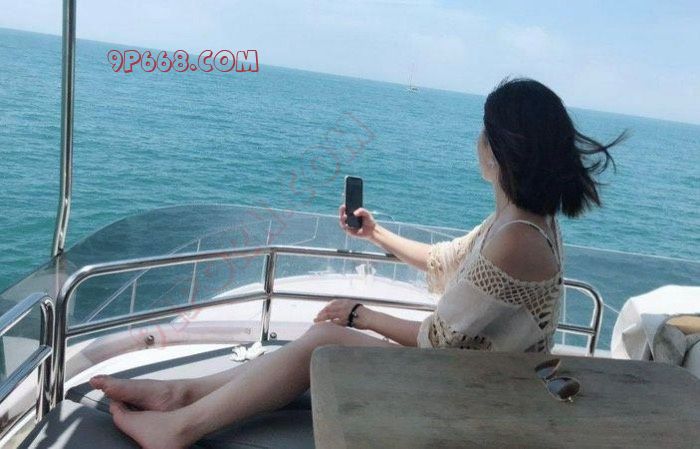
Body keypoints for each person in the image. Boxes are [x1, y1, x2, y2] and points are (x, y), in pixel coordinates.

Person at [90, 78, 625, 449]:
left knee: (324, 340)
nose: (477, 142)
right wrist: (374, 234)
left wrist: (357, 315)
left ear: (502, 150)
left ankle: (181, 427)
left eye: (485, 132)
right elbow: (444, 261)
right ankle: (180, 395)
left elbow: (436, 341)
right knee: (320, 341)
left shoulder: (516, 238)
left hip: (479, 395)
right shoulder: (517, 221)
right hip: (476, 375)